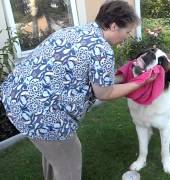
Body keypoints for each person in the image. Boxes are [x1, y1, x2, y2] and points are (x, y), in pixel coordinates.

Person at [0, 1, 151, 180]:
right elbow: (104, 93)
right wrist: (141, 82)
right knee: (68, 163)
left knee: (55, 155)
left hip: (17, 99)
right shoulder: (101, 49)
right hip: (42, 113)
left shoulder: (74, 31)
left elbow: (93, 79)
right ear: (113, 26)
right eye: (127, 32)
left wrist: (124, 75)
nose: (127, 37)